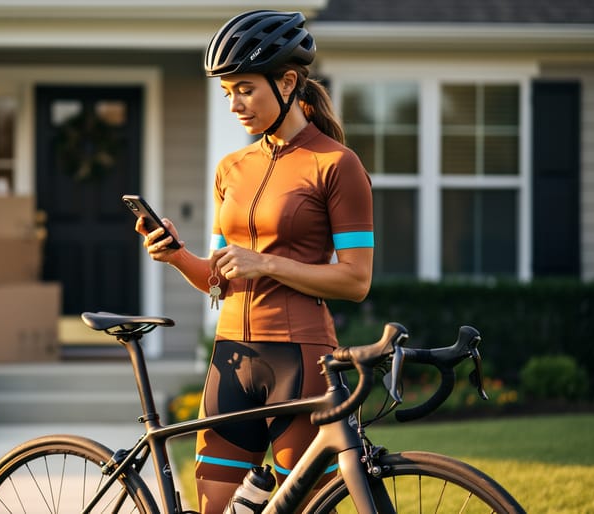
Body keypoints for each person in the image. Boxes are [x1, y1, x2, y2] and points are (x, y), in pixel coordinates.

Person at [135, 10, 374, 513]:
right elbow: (219, 279)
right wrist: (177, 255)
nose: (234, 104)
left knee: (303, 507)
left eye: (245, 89)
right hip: (230, 358)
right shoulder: (231, 168)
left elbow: (356, 280)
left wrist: (265, 264)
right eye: (228, 93)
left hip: (300, 361)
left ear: (287, 82)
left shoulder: (336, 164)